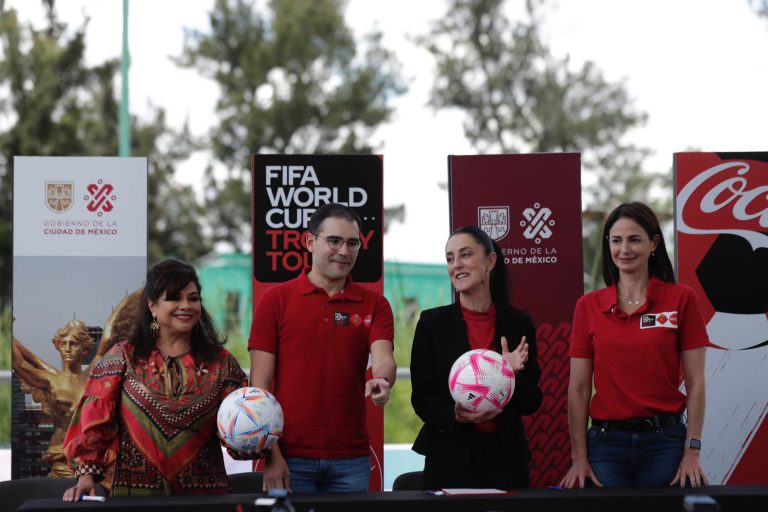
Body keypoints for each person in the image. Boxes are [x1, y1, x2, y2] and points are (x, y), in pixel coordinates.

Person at [62, 259, 250, 499]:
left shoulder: (221, 362)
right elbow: (93, 424)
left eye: (193, 298)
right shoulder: (123, 357)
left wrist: (254, 443)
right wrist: (85, 477)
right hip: (134, 500)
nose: (186, 306)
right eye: (174, 298)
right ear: (152, 305)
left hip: (205, 498)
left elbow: (240, 425)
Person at [560, 202, 709, 489]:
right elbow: (578, 388)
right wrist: (579, 457)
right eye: (616, 240)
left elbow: (696, 382)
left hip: (665, 443)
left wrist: (692, 450)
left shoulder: (682, 299)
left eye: (634, 239)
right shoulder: (587, 306)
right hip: (605, 445)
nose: (624, 249)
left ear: (654, 243)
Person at [249, 203, 396, 493]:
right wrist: (272, 454)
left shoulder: (375, 304)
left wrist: (383, 380)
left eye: (352, 243)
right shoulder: (275, 300)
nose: (344, 251)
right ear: (310, 241)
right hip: (289, 456)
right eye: (334, 241)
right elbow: (259, 386)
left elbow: (384, 359)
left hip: (351, 457)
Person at [410, 226, 543, 490]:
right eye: (450, 258)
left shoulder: (518, 324)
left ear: (490, 261)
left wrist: (508, 376)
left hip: (506, 460)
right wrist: (455, 416)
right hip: (449, 458)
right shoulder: (432, 323)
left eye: (465, 255)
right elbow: (422, 397)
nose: (456, 265)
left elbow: (532, 402)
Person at [13, 320, 95, 478]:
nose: (68, 349)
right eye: (64, 344)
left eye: (73, 344)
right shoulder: (50, 380)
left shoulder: (91, 376)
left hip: (91, 457)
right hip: (62, 457)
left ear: (85, 350)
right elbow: (19, 362)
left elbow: (110, 341)